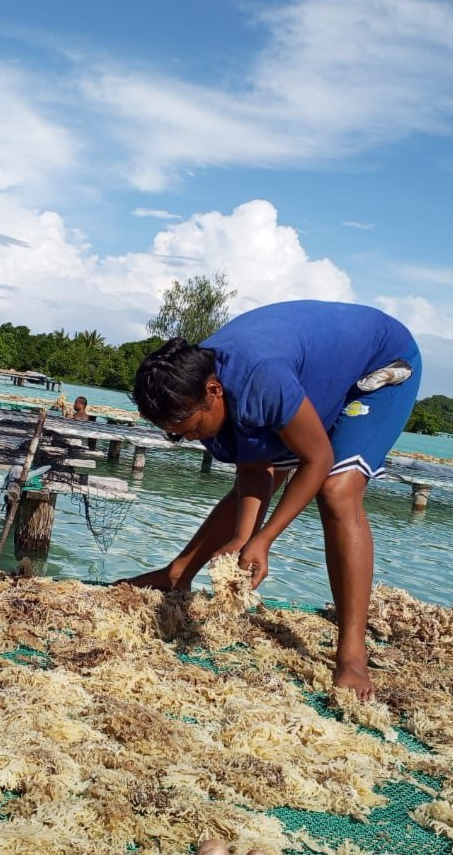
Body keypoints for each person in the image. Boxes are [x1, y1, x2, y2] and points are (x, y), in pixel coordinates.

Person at [125, 300, 421, 700]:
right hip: (308, 376)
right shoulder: (197, 383)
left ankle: (352, 653)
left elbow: (318, 460)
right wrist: (242, 539)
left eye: (189, 427)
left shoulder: (259, 379)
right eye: (174, 434)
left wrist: (264, 540)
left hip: (382, 363)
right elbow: (255, 469)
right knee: (276, 462)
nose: (187, 437)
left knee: (337, 489)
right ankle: (178, 573)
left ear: (213, 392)